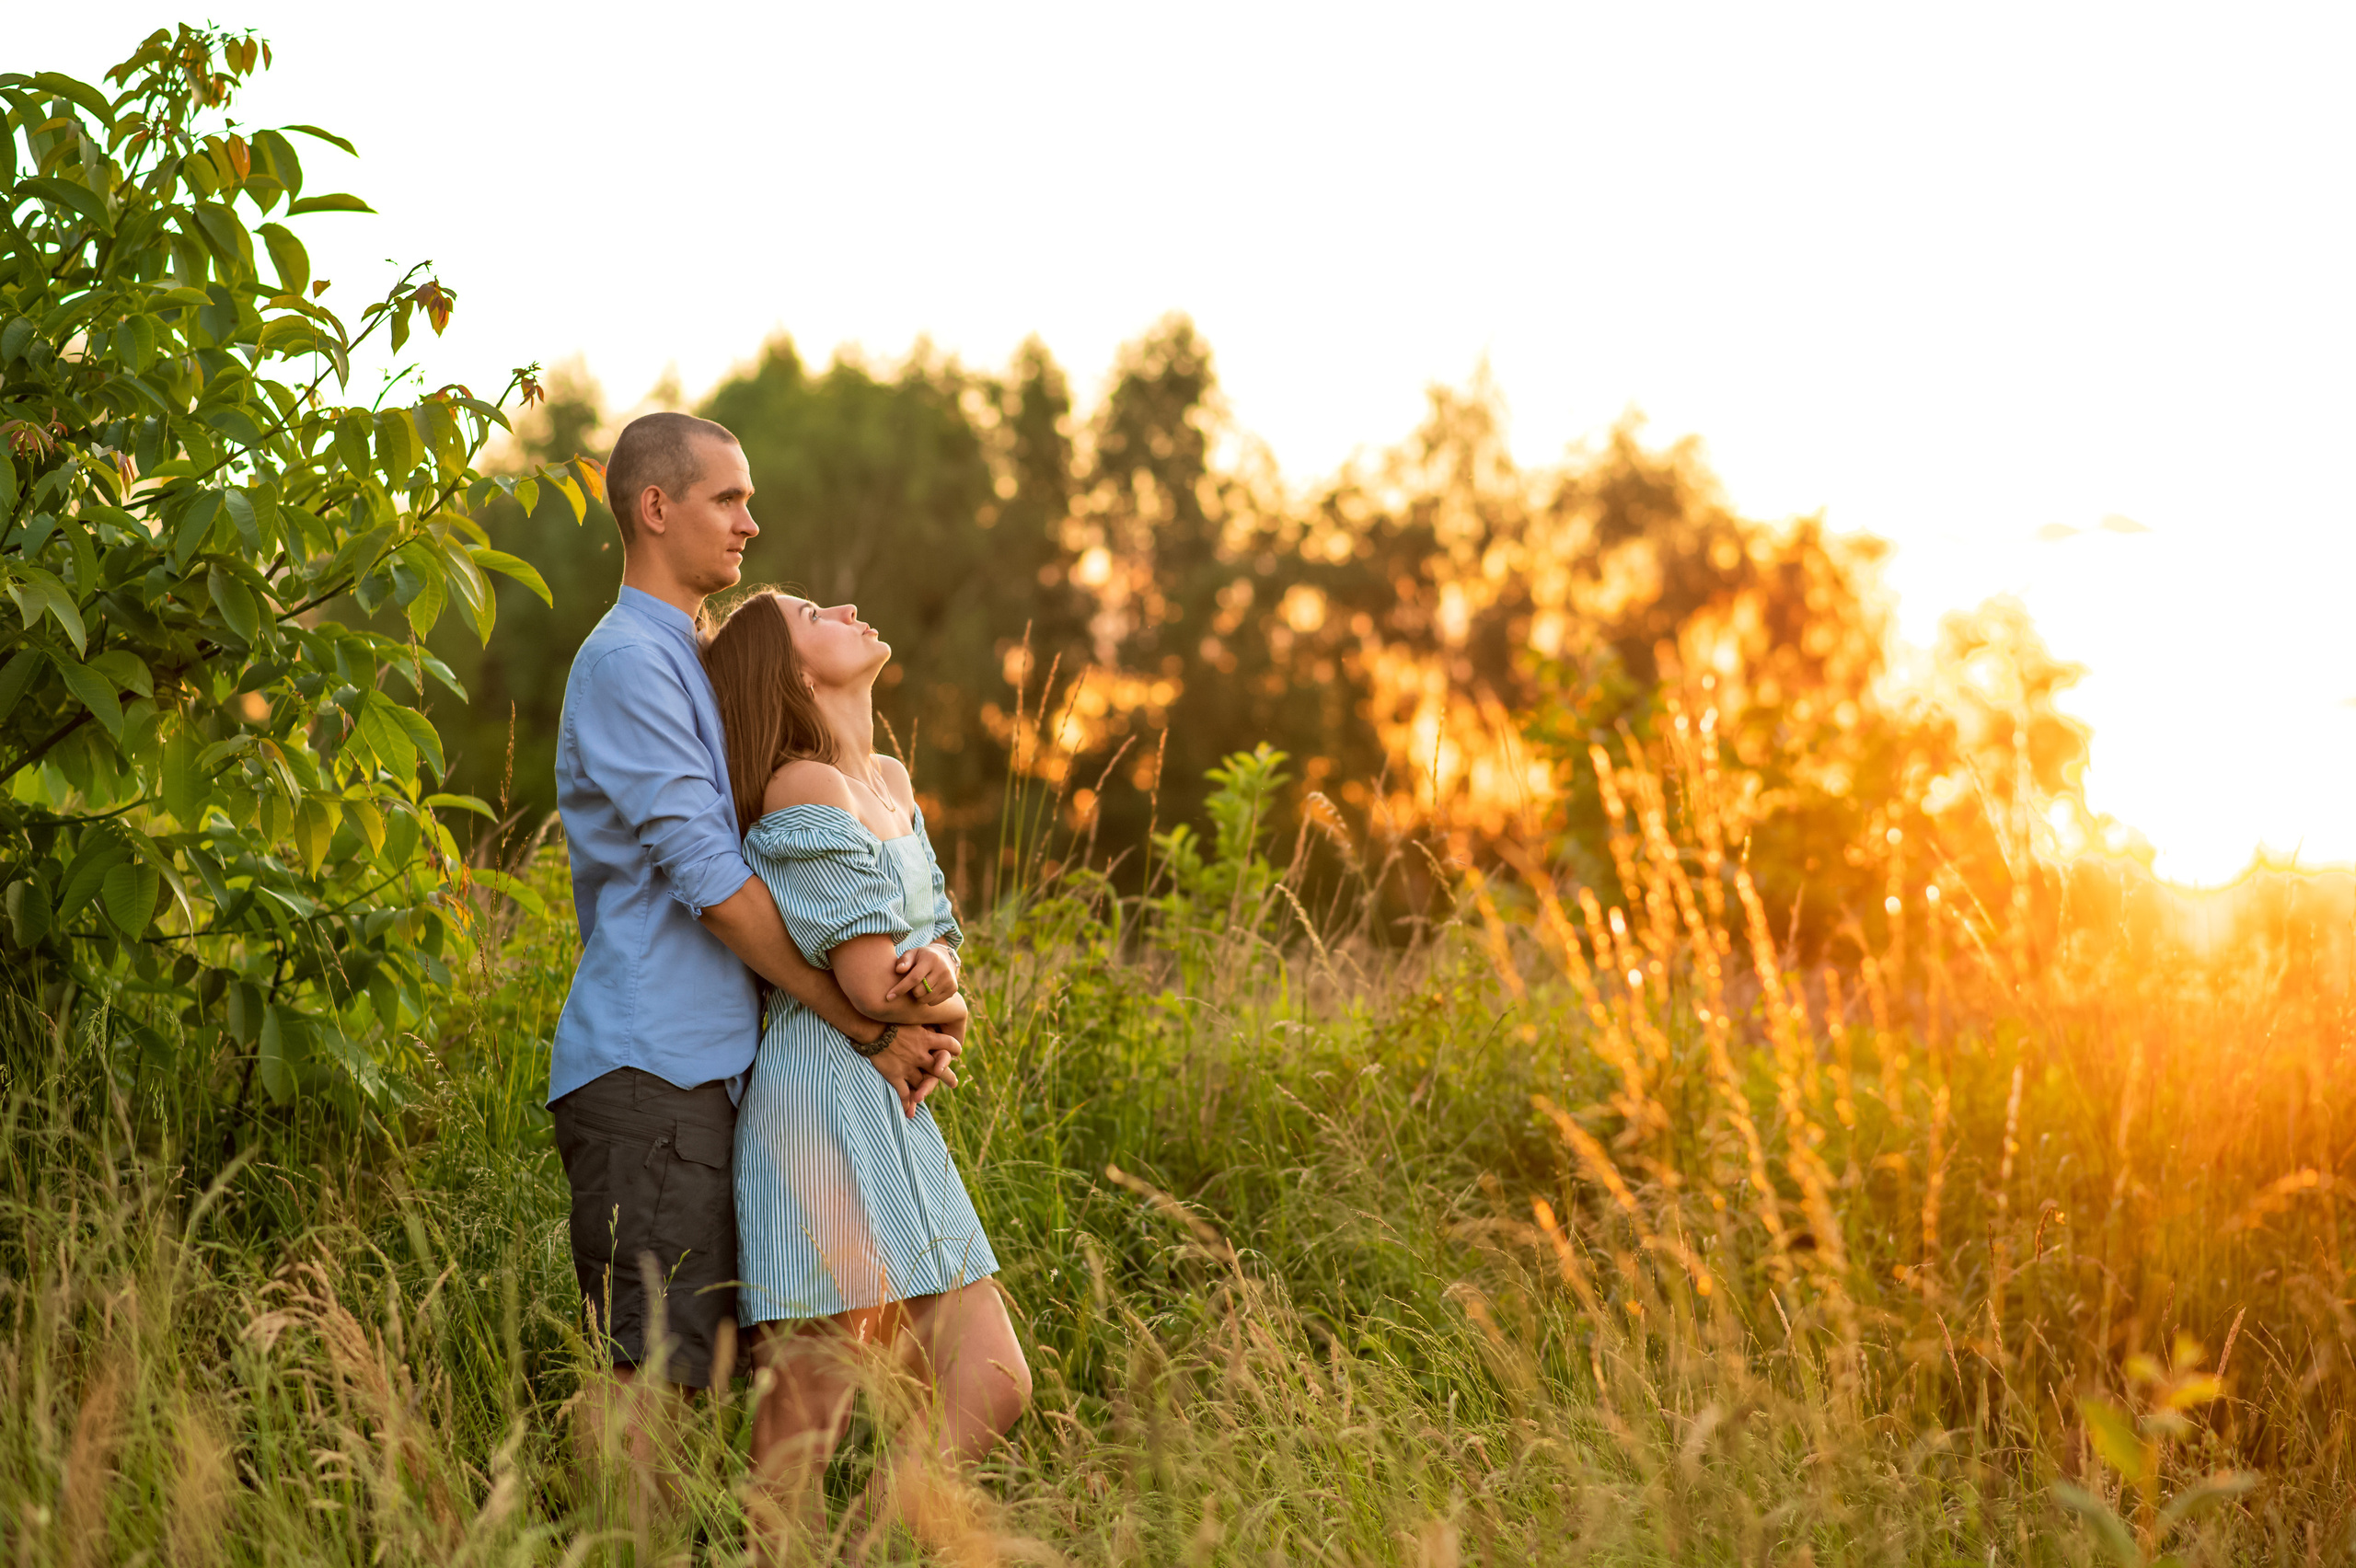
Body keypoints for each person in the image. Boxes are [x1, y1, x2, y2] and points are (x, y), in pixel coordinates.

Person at [546, 412, 961, 1524]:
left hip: (714, 1082)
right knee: (656, 1385)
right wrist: (861, 1020)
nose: (751, 521)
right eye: (728, 499)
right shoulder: (630, 661)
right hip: (649, 1074)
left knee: (719, 1382)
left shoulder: (689, 656)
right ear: (654, 508)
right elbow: (718, 888)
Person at [700, 588, 1032, 1549]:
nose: (846, 606)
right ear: (795, 671)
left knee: (991, 1380)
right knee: (807, 1417)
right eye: (814, 612)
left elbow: (939, 947)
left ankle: (864, 1550)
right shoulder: (805, 787)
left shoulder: (886, 776)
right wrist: (947, 998)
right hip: (825, 1100)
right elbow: (877, 985)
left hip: (892, 1104)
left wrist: (947, 976)